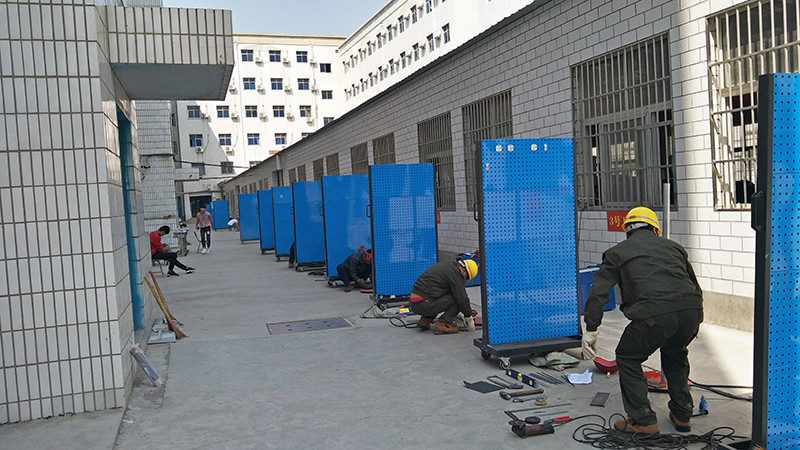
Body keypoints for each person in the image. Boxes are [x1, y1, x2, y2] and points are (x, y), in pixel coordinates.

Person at [582, 207, 703, 435]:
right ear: (655, 230)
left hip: (653, 315)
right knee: (675, 353)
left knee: (628, 357)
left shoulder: (617, 253)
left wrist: (591, 328)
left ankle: (643, 420)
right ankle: (683, 414)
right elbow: (693, 284)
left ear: (628, 232)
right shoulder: (675, 248)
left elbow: (598, 291)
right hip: (691, 310)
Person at [408, 259, 478, 335]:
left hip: (415, 303)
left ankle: (425, 321)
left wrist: (458, 313)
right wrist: (468, 316)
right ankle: (442, 324)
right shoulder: (456, 274)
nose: (464, 280)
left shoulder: (448, 265)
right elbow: (462, 299)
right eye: (466, 278)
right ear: (464, 271)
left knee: (439, 296)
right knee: (457, 299)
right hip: (424, 304)